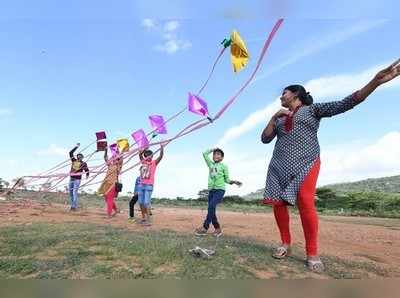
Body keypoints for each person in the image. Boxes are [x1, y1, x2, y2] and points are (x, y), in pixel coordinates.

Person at [260, 59, 400, 272]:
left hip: (307, 162)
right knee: (278, 205)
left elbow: (346, 103)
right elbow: (265, 139)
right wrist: (273, 117)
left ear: (296, 94)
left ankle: (312, 253)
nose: (281, 96)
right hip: (279, 165)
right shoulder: (279, 119)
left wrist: (376, 81)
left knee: (306, 202)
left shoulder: (313, 109)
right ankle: (285, 243)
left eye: (285, 93)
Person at [195, 148, 242, 237]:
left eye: (218, 154)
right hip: (211, 190)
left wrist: (234, 182)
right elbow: (204, 154)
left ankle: (205, 227)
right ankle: (217, 229)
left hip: (220, 190)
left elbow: (227, 179)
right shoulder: (210, 165)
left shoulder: (224, 166)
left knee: (211, 207)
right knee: (211, 209)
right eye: (214, 154)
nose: (216, 156)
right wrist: (213, 149)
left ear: (222, 157)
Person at [137, 145, 164, 225]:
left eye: (151, 156)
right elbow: (140, 155)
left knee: (146, 203)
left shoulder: (154, 163)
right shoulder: (143, 162)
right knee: (141, 203)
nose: (150, 157)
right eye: (148, 156)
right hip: (141, 185)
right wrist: (143, 150)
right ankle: (143, 218)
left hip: (149, 186)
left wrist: (161, 148)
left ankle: (148, 220)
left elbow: (161, 156)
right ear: (146, 156)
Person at [97, 149, 123, 218]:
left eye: (116, 158)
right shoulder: (110, 165)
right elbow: (105, 158)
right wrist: (105, 150)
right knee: (106, 198)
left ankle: (109, 214)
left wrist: (120, 152)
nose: (113, 159)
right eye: (113, 157)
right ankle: (116, 210)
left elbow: (121, 159)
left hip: (113, 184)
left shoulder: (118, 166)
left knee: (110, 198)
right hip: (106, 183)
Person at [68, 143, 89, 211]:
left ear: (82, 157)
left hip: (77, 180)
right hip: (71, 178)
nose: (79, 157)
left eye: (80, 156)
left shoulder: (83, 163)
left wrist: (87, 175)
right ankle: (72, 206)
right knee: (71, 193)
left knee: (74, 192)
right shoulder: (74, 161)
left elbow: (87, 170)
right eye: (78, 156)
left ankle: (74, 207)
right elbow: (70, 153)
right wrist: (76, 146)